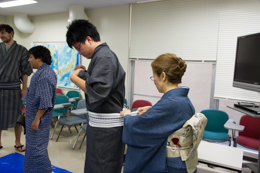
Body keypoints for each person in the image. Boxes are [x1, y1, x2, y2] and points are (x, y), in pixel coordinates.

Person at [120, 53, 196, 173]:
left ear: (163, 76)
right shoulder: (182, 100)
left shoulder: (171, 103)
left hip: (169, 165)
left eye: (154, 76)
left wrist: (128, 116)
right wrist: (151, 109)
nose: (154, 80)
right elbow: (167, 118)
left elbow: (138, 128)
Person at [67, 19, 126, 173]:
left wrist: (74, 78)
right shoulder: (100, 56)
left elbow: (98, 91)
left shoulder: (105, 56)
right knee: (96, 166)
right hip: (99, 127)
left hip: (107, 130)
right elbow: (97, 83)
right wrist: (82, 73)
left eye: (79, 48)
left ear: (88, 39)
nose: (80, 53)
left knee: (103, 167)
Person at [23, 46, 57, 173]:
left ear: (39, 58)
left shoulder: (44, 75)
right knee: (34, 148)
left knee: (37, 150)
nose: (28, 60)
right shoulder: (42, 72)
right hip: (34, 116)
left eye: (30, 57)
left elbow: (45, 102)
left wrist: (36, 119)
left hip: (39, 119)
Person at [0, 24, 32, 152]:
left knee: (17, 116)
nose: (1, 36)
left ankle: (18, 142)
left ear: (11, 33)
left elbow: (25, 70)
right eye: (0, 33)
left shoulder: (22, 50)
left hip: (13, 87)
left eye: (3, 33)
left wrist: (24, 88)